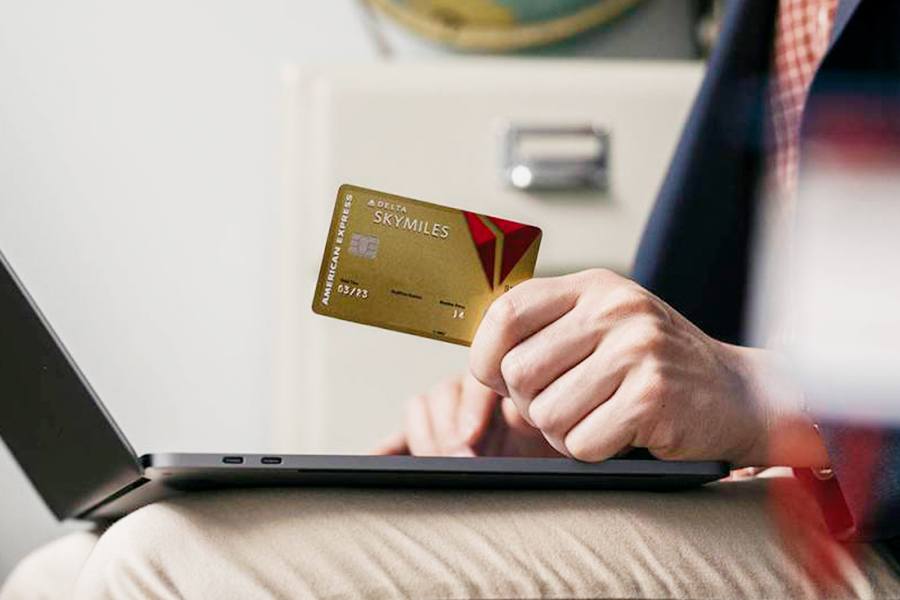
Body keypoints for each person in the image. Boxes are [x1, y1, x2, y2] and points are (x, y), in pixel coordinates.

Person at [3, 0, 900, 598]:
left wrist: (768, 395)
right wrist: (593, 411)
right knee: (64, 571)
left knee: (168, 564)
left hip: (866, 531)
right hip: (768, 490)